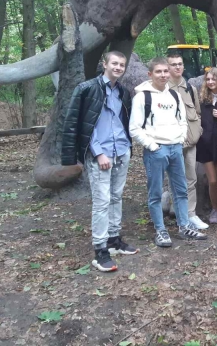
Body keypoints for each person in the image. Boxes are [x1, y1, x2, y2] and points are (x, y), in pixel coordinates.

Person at [62, 51, 139, 273]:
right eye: (114, 63)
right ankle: (100, 250)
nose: (118, 67)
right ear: (105, 64)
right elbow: (80, 123)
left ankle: (114, 240)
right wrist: (98, 153)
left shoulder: (123, 92)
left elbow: (123, 121)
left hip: (121, 151)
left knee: (116, 196)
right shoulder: (87, 89)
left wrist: (127, 148)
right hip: (101, 154)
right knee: (102, 201)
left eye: (122, 64)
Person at [129, 57, 207, 247]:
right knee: (155, 192)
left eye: (165, 71)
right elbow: (134, 128)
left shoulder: (174, 95)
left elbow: (182, 120)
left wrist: (179, 139)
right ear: (150, 74)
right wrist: (153, 145)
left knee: (181, 190)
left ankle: (184, 226)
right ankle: (161, 230)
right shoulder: (142, 97)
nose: (163, 75)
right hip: (156, 150)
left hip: (175, 148)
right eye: (159, 71)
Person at [167, 53, 208, 230]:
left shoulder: (190, 88)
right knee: (174, 178)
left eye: (180, 64)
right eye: (173, 64)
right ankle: (177, 211)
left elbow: (197, 112)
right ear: (167, 67)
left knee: (191, 178)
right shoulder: (162, 88)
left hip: (190, 142)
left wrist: (197, 131)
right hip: (170, 142)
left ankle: (191, 214)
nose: (177, 67)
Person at [196, 68, 217, 224]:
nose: (210, 82)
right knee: (213, 181)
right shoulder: (202, 99)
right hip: (206, 144)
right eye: (208, 79)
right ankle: (214, 208)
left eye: (213, 79)